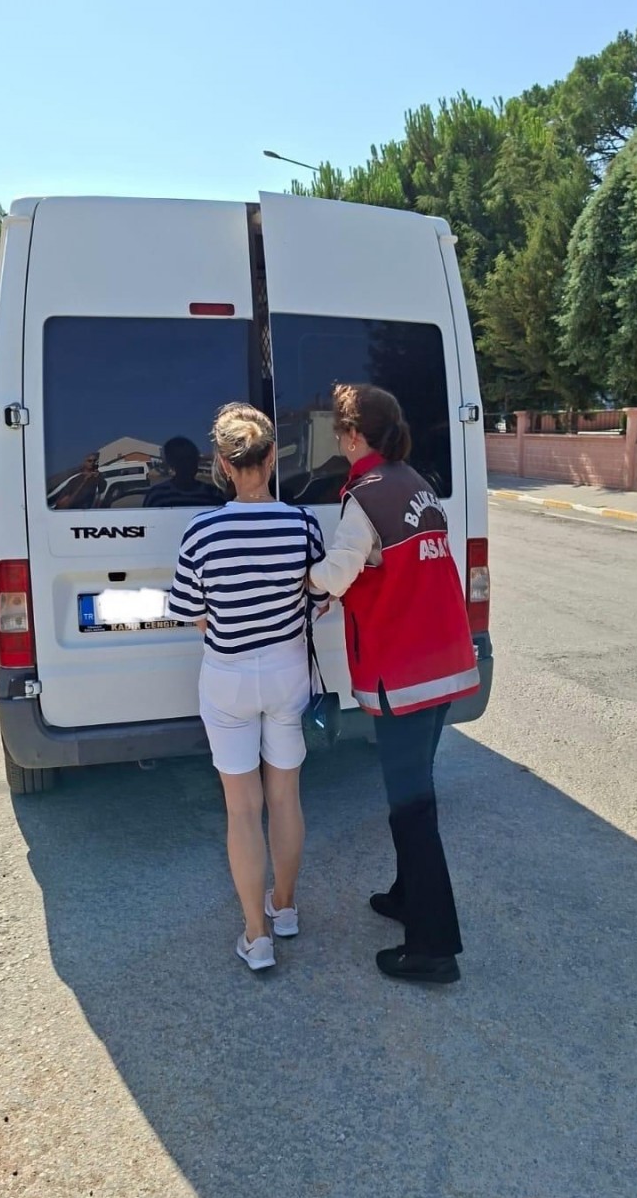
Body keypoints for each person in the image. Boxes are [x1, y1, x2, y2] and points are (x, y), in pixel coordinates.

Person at [309, 384, 480, 986]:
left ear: (354, 436)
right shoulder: (415, 483)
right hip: (442, 661)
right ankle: (409, 897)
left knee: (412, 807)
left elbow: (337, 571)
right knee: (415, 790)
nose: (339, 440)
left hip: (403, 671)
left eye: (339, 430)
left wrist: (304, 577)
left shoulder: (365, 495)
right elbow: (393, 567)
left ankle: (433, 949)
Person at [167, 404, 328, 972]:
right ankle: (284, 907)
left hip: (227, 677)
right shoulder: (302, 524)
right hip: (288, 673)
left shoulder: (201, 530)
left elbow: (190, 611)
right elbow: (319, 598)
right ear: (271, 457)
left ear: (222, 463)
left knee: (242, 810)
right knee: (286, 797)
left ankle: (257, 939)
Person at [143, 435, 222, 508]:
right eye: (181, 460)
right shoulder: (157, 496)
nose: (188, 464)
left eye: (191, 458)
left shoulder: (214, 494)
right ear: (171, 463)